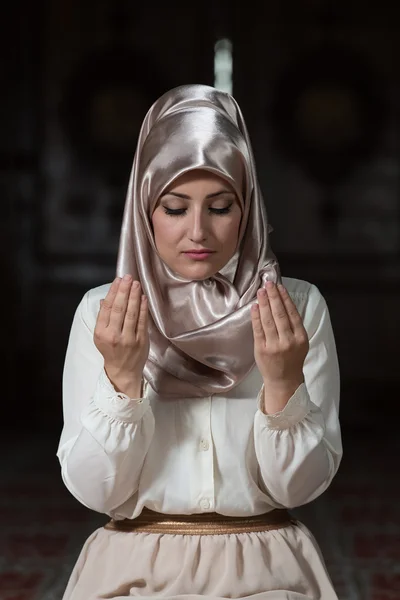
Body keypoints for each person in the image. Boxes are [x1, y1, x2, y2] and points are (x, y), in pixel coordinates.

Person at [57, 84, 342, 600]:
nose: (198, 232)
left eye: (219, 206)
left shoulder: (295, 307)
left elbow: (299, 489)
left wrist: (282, 385)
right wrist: (122, 378)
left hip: (268, 568)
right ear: (144, 211)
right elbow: (95, 491)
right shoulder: (103, 312)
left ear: (248, 208)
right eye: (174, 207)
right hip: (130, 569)